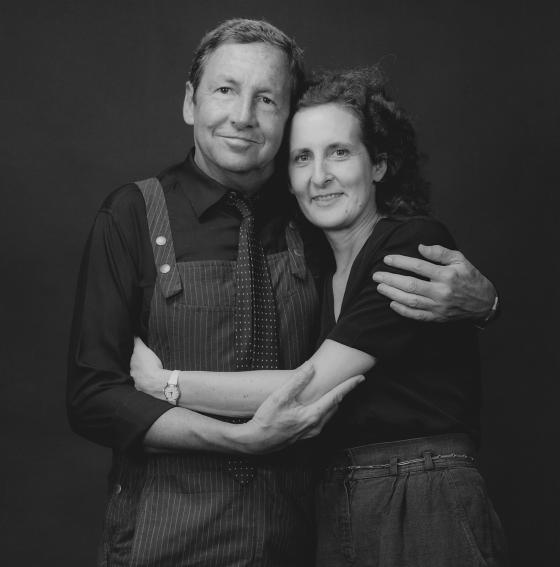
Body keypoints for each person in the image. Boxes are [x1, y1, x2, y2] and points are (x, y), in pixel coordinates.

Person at [67, 18, 499, 567]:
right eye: (225, 89)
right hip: (166, 538)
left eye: (266, 98)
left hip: (301, 536)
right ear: (189, 102)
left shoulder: (313, 219)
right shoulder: (130, 214)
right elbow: (92, 397)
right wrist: (236, 440)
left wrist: (485, 303)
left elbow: (345, 361)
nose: (243, 116)